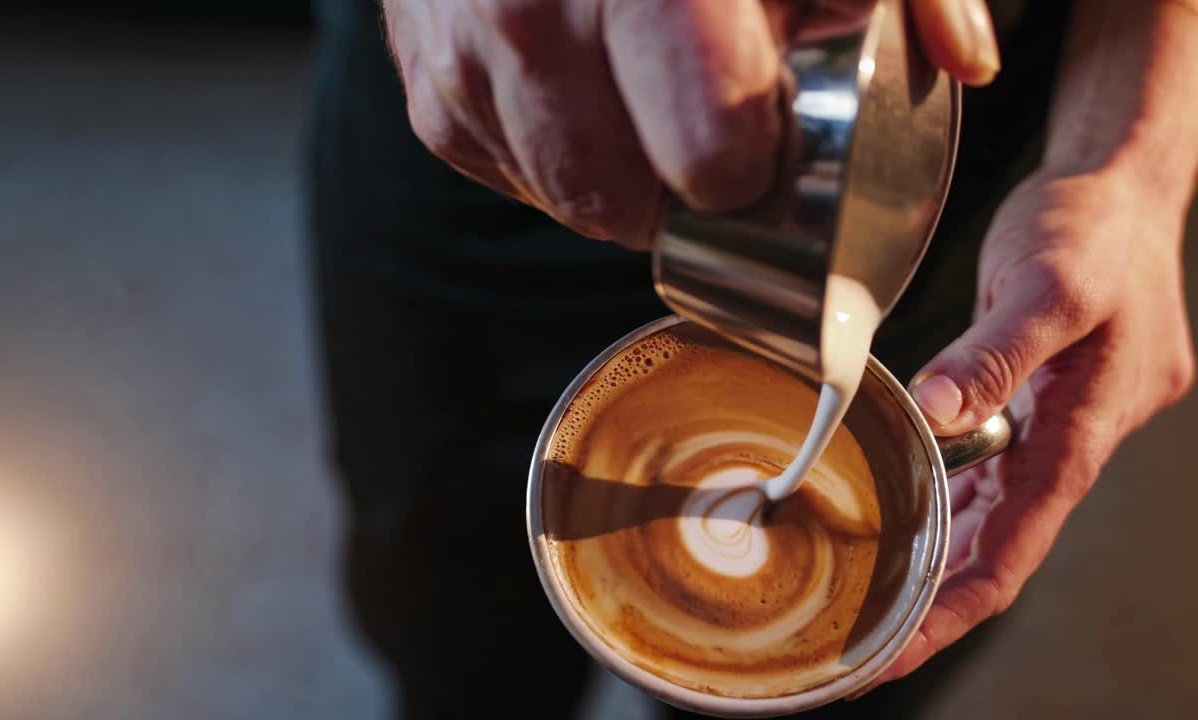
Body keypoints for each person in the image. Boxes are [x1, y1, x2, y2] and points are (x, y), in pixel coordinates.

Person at [309, 0, 1197, 717]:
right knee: (450, 615)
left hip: (908, 161)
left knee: (830, 693)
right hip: (495, 111)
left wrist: (1125, 161)